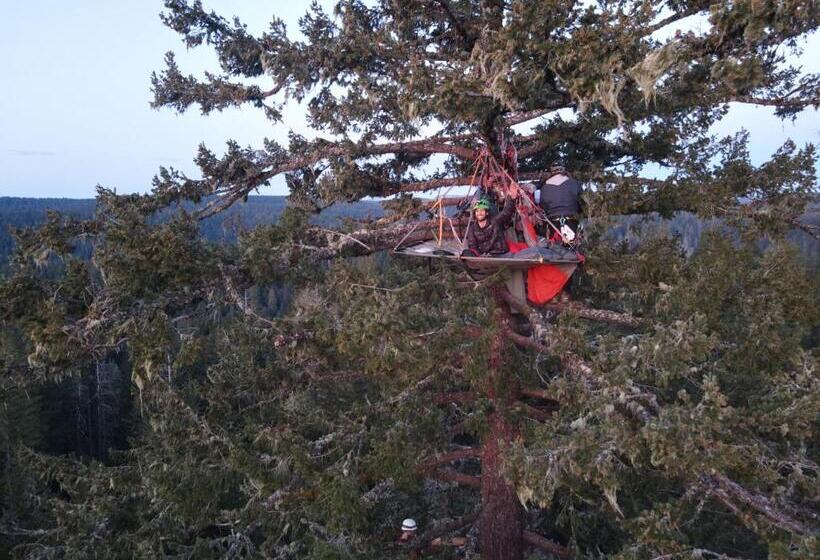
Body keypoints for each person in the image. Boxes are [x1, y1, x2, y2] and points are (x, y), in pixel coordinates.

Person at [537, 163, 584, 244]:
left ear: (552, 172)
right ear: (564, 170)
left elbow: (543, 206)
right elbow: (582, 203)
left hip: (553, 223)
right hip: (572, 220)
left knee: (554, 250)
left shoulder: (544, 187)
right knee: (576, 248)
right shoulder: (575, 183)